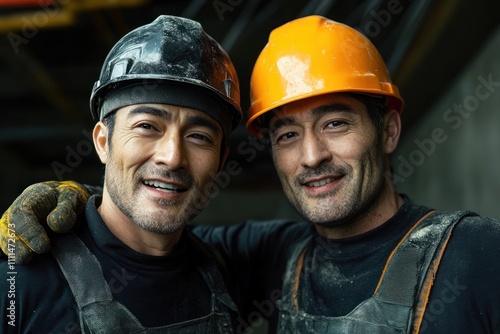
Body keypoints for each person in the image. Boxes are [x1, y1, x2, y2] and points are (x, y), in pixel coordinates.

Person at [2, 15, 500, 333]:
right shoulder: (20, 281)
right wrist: (84, 199)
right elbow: (140, 230)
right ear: (103, 142)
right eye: (287, 135)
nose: (311, 156)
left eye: (335, 123)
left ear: (388, 130)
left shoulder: (479, 255)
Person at [0, 14, 244, 333]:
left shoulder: (232, 265)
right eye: (147, 127)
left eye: (199, 136)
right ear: (103, 142)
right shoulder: (18, 284)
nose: (172, 158)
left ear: (221, 159)